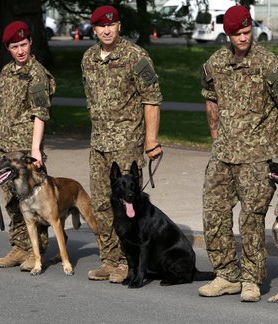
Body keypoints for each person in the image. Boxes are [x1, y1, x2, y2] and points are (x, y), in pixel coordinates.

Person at [197, 5, 278, 302]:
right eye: (236, 33)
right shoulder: (215, 62)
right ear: (227, 34)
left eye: (246, 31)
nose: (243, 37)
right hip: (223, 153)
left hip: (257, 155)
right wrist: (215, 133)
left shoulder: (268, 62)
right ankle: (226, 274)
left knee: (251, 219)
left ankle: (252, 279)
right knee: (213, 213)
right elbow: (211, 98)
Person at [81, 5, 162, 283]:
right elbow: (90, 100)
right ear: (94, 29)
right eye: (101, 26)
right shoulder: (89, 58)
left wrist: (150, 141)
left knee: (128, 206)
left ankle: (129, 262)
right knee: (102, 204)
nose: (106, 30)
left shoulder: (136, 56)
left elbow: (151, 99)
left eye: (111, 25)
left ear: (119, 26)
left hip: (127, 143)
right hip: (99, 144)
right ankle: (110, 259)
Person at [0, 21, 55, 272]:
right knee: (11, 200)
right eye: (15, 46)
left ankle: (36, 250)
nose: (21, 50)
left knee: (34, 201)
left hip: (26, 150)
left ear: (31, 43)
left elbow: (41, 113)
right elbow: (2, 110)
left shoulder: (36, 72)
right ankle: (19, 246)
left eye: (24, 44)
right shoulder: (6, 72)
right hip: (6, 149)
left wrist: (36, 149)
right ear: (8, 48)